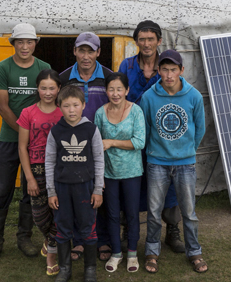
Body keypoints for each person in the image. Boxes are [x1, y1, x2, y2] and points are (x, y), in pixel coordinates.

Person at [0, 23, 53, 264]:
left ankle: (24, 237)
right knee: (2, 191)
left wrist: (35, 137)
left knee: (30, 191)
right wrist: (26, 133)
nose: (25, 46)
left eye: (29, 42)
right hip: (9, 139)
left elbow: (49, 99)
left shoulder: (43, 68)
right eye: (20, 42)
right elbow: (3, 107)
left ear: (35, 43)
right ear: (13, 43)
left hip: (37, 144)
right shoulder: (3, 68)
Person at [138, 49, 208, 274]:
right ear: (158, 70)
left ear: (181, 70)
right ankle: (151, 251)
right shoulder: (149, 97)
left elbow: (200, 128)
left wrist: (187, 151)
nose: (169, 75)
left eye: (173, 70)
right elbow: (145, 128)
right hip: (157, 162)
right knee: (153, 211)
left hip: (185, 163)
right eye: (165, 69)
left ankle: (194, 251)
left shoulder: (194, 96)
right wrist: (154, 152)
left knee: (189, 212)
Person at [119, 20, 185, 254]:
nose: (146, 43)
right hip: (133, 138)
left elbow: (181, 97)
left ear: (159, 40)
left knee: (169, 184)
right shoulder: (127, 66)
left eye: (150, 39)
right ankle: (128, 230)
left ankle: (172, 230)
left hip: (162, 138)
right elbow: (119, 95)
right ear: (136, 41)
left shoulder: (168, 66)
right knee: (130, 182)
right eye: (142, 39)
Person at [58, 31, 114, 260]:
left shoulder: (109, 77)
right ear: (75, 51)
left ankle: (103, 239)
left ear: (98, 52)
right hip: (73, 146)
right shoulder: (64, 78)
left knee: (101, 193)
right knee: (77, 194)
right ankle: (80, 240)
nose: (86, 56)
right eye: (81, 50)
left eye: (90, 51)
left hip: (102, 146)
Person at [46, 84, 105, 282]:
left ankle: (90, 269)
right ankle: (65, 269)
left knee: (88, 227)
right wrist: (51, 191)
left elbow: (99, 160)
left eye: (75, 105)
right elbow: (49, 162)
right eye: (66, 106)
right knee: (63, 227)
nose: (71, 110)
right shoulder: (56, 132)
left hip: (85, 188)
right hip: (61, 188)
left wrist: (98, 189)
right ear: (59, 107)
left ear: (83, 105)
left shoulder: (91, 130)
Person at [93, 72, 146, 273]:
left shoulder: (136, 111)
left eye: (119, 89)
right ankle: (116, 252)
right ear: (106, 91)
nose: (115, 94)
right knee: (112, 214)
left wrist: (112, 142)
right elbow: (96, 144)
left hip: (132, 172)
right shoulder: (100, 113)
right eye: (111, 89)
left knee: (132, 214)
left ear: (127, 90)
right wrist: (98, 174)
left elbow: (139, 142)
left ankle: (132, 253)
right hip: (109, 172)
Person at [18, 69, 65, 275]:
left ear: (59, 89)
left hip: (60, 169)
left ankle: (52, 254)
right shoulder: (28, 113)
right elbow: (22, 147)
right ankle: (49, 239)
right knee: (39, 216)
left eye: (52, 88)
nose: (47, 92)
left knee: (59, 211)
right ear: (37, 88)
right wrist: (29, 178)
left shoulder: (64, 113)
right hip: (36, 169)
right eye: (43, 88)